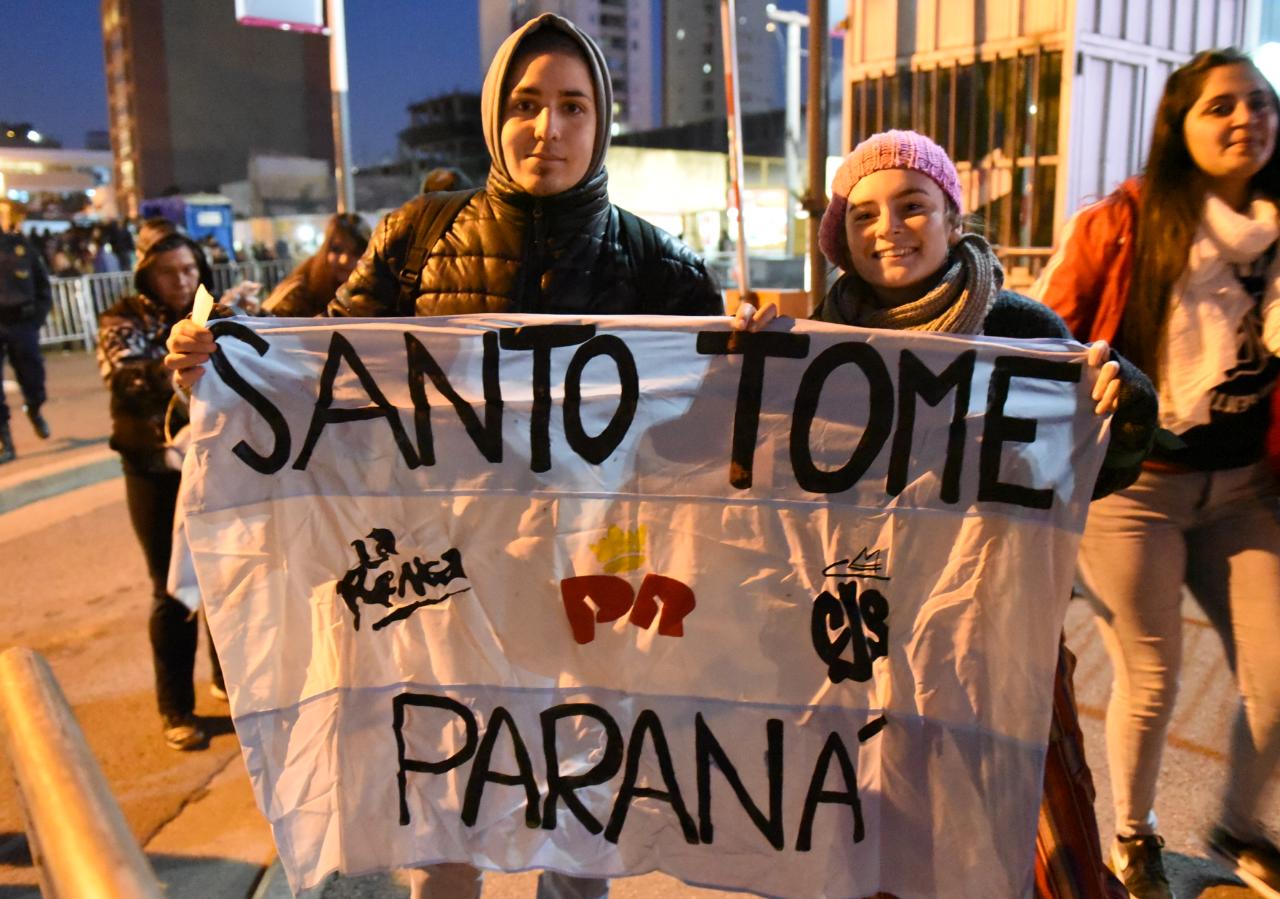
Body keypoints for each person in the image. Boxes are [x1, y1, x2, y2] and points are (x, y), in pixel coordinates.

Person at [165, 13, 720, 898]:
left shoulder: (662, 266)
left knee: (579, 817)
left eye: (574, 107)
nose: (550, 129)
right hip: (444, 580)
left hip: (595, 584)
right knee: (444, 804)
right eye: (528, 104)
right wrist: (226, 371)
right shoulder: (417, 236)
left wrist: (768, 357)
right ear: (497, 116)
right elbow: (320, 377)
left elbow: (719, 433)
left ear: (602, 121)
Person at [737, 129, 1158, 899]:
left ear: (955, 220)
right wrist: (735, 365)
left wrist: (1123, 400)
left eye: (912, 206)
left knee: (1030, 838)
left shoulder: (1024, 333)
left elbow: (1086, 472)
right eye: (863, 215)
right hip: (860, 640)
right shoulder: (814, 344)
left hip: (995, 637)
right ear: (841, 237)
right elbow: (731, 472)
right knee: (877, 841)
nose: (887, 228)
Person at [1034, 48, 1280, 899]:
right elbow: (1044, 332)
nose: (1245, 117)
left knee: (1276, 675)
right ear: (1179, 126)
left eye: (1259, 101)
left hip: (1246, 485)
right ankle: (1135, 836)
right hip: (1136, 485)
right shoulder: (1127, 220)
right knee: (1151, 673)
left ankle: (1242, 828)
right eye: (1220, 106)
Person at [97, 221, 226, 751]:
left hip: (214, 464)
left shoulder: (219, 316)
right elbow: (123, 375)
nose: (182, 279)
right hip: (153, 469)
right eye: (170, 271)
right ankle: (176, 707)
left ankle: (229, 679)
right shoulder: (122, 318)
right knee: (170, 590)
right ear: (149, 275)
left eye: (190, 269)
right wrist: (182, 366)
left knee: (224, 575)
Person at [0, 229, 53, 463]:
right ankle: (5, 441)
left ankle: (34, 408)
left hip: (22, 323)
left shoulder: (20, 246)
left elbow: (42, 284)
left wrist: (36, 320)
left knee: (33, 376)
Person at [260, 213, 371, 317]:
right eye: (336, 249)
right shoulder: (298, 292)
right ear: (324, 250)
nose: (344, 260)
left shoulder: (373, 290)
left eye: (356, 252)